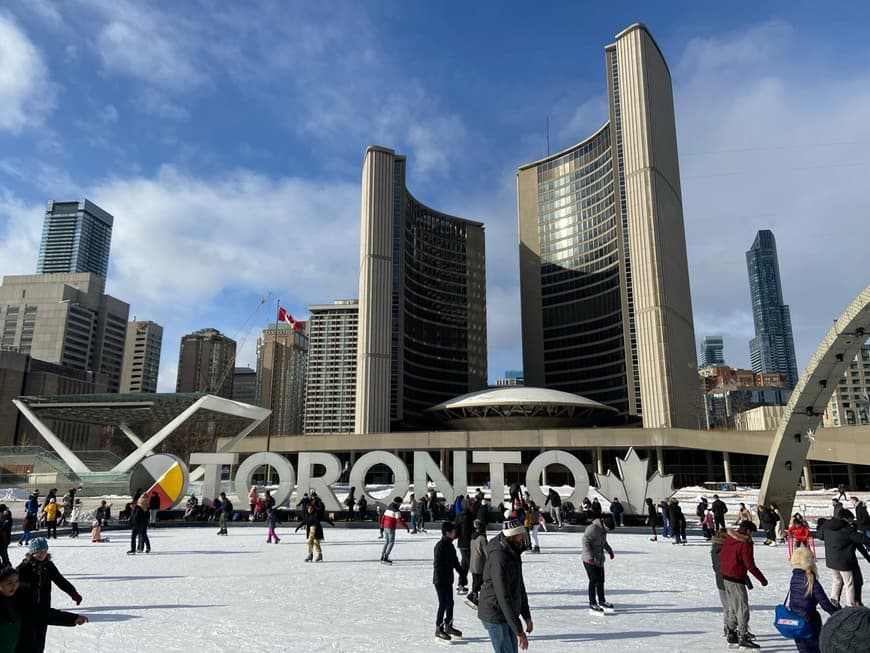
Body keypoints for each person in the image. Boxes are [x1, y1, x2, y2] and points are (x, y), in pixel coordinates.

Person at [0, 565, 88, 653]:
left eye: (16, 581)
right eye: (9, 583)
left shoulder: (21, 600)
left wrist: (72, 618)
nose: (14, 586)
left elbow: (43, 613)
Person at [16, 537, 83, 652]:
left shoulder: (48, 566)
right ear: (32, 552)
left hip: (44, 606)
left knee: (40, 638)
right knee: (27, 638)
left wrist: (72, 592)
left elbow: (59, 580)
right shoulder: (24, 567)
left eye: (44, 551)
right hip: (27, 608)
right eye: (38, 552)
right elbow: (12, 582)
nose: (42, 554)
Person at [478, 519, 533, 652]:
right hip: (495, 612)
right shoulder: (500, 558)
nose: (523, 538)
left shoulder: (512, 550)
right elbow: (502, 594)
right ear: (512, 536)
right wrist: (519, 630)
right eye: (520, 535)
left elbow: (519, 585)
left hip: (507, 613)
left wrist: (526, 615)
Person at [719, 520, 768, 649]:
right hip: (736, 578)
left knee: (733, 607)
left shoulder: (730, 538)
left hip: (726, 577)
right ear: (748, 531)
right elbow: (750, 565)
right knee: (742, 608)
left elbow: (723, 556)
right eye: (752, 533)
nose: (752, 536)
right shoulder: (745, 543)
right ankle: (743, 636)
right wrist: (762, 579)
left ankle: (731, 633)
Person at [788, 546, 840, 653]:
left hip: (796, 622)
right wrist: (839, 614)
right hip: (809, 622)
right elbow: (825, 603)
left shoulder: (794, 577)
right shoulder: (810, 581)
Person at [816, 509, 870, 607]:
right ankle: (850, 604)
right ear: (844, 518)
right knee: (849, 583)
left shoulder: (827, 525)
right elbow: (862, 539)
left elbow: (819, 535)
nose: (850, 522)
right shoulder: (847, 529)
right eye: (850, 520)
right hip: (844, 562)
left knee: (837, 580)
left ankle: (834, 600)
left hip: (831, 560)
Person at [433, 521, 464, 641]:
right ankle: (438, 628)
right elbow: (438, 564)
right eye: (453, 531)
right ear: (447, 533)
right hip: (440, 580)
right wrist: (442, 575)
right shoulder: (440, 546)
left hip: (447, 579)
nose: (455, 533)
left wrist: (462, 573)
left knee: (450, 603)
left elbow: (455, 561)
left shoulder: (450, 546)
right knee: (443, 603)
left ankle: (448, 625)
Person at [582, 515, 615, 613]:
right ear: (604, 525)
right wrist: (590, 557)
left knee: (601, 580)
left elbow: (603, 542)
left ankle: (602, 601)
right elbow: (585, 542)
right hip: (589, 560)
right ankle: (592, 603)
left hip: (599, 559)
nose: (608, 531)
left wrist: (610, 551)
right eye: (608, 529)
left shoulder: (603, 530)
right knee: (593, 580)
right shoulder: (592, 528)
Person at [710, 528, 730, 640]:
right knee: (729, 606)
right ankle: (729, 628)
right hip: (725, 580)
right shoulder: (720, 549)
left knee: (728, 606)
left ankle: (728, 627)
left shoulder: (716, 548)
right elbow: (719, 566)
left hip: (720, 580)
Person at [379, 497, 408, 565]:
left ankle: (382, 556)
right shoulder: (396, 510)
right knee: (391, 542)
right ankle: (385, 557)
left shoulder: (388, 507)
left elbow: (383, 517)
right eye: (400, 503)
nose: (400, 505)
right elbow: (399, 520)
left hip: (386, 527)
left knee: (386, 542)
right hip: (391, 527)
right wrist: (406, 526)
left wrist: (382, 526)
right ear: (398, 503)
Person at [466, 519, 488, 608]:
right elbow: (486, 552)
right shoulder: (482, 538)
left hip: (473, 562)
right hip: (480, 563)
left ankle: (475, 597)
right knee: (481, 579)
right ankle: (472, 595)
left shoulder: (473, 537)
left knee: (475, 580)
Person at [456, 504, 475, 591]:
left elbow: (456, 529)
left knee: (465, 564)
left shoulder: (459, 517)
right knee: (468, 564)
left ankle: (461, 583)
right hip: (468, 543)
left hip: (461, 543)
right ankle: (462, 583)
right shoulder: (471, 517)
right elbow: (473, 530)